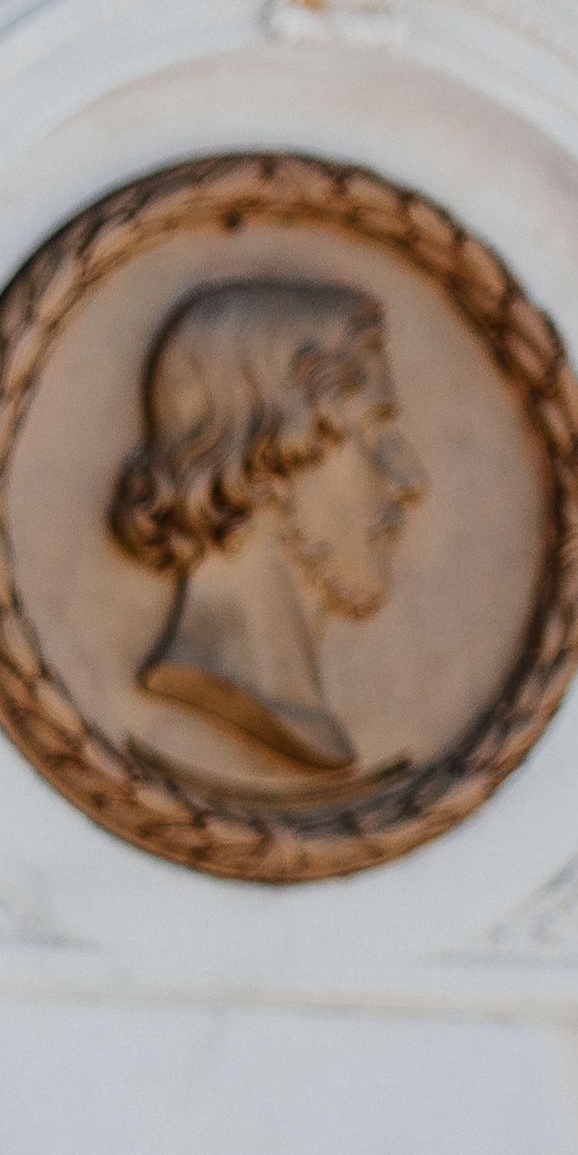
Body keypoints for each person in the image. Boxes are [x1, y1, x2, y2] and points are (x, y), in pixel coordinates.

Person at [109, 273, 425, 781]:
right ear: (269, 450)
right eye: (372, 430)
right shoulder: (210, 687)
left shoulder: (311, 722)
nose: (411, 479)